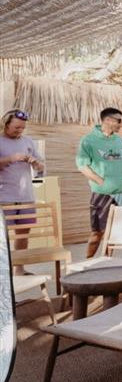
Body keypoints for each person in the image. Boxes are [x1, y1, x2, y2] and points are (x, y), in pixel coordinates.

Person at [76, 107, 122, 258]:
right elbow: (82, 166)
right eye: (119, 121)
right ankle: (88, 261)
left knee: (113, 234)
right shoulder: (89, 140)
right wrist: (101, 182)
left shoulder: (119, 140)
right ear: (107, 120)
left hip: (120, 193)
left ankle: (105, 261)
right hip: (101, 194)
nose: (121, 124)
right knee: (97, 233)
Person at [0, 109, 45, 273]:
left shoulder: (28, 141)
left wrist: (37, 164)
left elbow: (41, 166)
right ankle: (4, 270)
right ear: (6, 124)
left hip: (26, 196)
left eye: (22, 128)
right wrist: (10, 159)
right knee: (2, 238)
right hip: (4, 197)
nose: (20, 131)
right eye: (16, 127)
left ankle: (19, 268)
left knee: (23, 234)